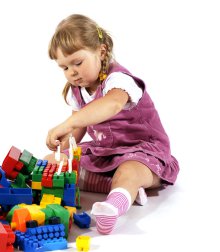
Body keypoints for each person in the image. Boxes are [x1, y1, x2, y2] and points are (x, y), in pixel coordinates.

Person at [44, 14, 179, 235]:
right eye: (64, 68)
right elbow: (77, 132)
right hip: (105, 151)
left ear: (102, 52)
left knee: (131, 170)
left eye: (77, 63)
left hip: (143, 150)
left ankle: (113, 207)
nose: (72, 73)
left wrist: (69, 122)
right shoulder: (76, 91)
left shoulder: (119, 81)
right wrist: (63, 145)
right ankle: (121, 187)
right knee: (53, 164)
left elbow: (112, 105)